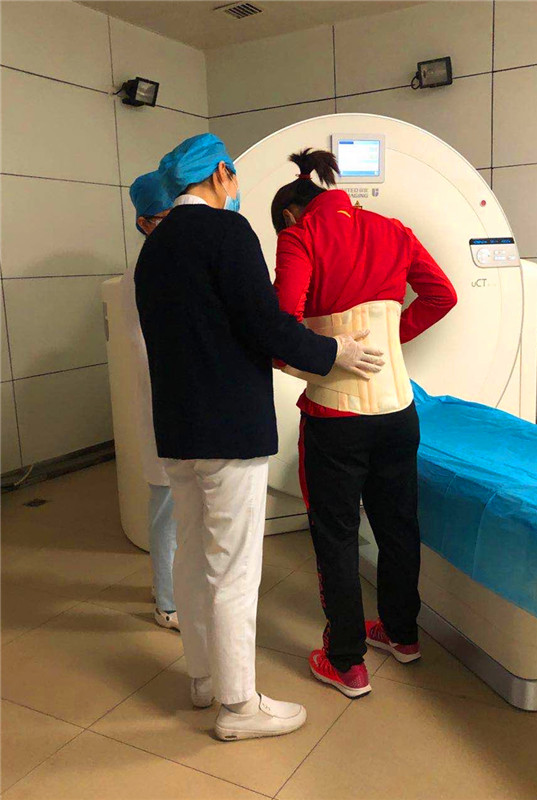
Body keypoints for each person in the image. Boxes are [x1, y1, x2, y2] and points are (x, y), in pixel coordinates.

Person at [134, 133, 384, 741]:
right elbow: (265, 325)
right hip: (229, 428)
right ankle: (239, 707)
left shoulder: (154, 246)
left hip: (179, 429)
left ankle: (203, 680)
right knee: (234, 571)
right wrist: (333, 352)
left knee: (193, 558)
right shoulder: (228, 232)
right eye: (234, 175)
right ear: (222, 173)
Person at [271, 148, 457, 698]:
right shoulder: (394, 229)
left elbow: (282, 330)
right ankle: (402, 635)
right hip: (399, 412)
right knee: (398, 527)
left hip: (336, 417)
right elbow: (442, 295)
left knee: (336, 535)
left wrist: (331, 352)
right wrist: (389, 341)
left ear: (290, 213)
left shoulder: (299, 236)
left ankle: (346, 661)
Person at [122, 171, 179, 631]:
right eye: (166, 217)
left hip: (174, 403)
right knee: (168, 505)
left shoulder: (163, 264)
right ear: (144, 222)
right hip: (167, 403)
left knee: (174, 505)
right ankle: (168, 602)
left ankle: (168, 587)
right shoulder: (146, 271)